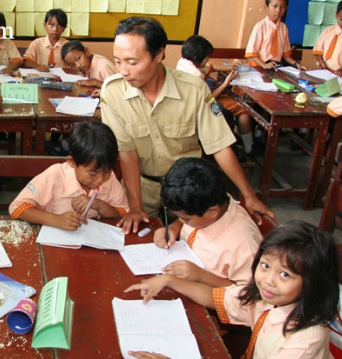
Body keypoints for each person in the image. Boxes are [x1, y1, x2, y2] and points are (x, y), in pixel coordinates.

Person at [101, 16, 273, 235]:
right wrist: (135, 207)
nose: (123, 71)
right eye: (117, 61)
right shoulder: (113, 91)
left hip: (190, 192)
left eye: (132, 62)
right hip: (142, 189)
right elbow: (127, 152)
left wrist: (248, 195)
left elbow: (219, 145)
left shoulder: (193, 89)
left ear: (159, 54)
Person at [125, 220, 339, 359]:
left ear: (313, 281)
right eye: (265, 266)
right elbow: (215, 297)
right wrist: (169, 280)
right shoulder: (270, 298)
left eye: (285, 274)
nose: (269, 281)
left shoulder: (305, 342)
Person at [153, 158, 262, 287]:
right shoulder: (208, 202)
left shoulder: (244, 248)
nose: (182, 221)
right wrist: (173, 228)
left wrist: (202, 276)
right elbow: (185, 219)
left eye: (186, 219)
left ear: (212, 211)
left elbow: (248, 293)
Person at [9, 121, 129, 231]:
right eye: (92, 173)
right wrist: (56, 220)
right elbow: (17, 208)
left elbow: (123, 213)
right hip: (55, 244)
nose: (100, 179)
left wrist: (100, 205)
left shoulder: (110, 178)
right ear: (72, 162)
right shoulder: (55, 175)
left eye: (107, 172)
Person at [178, 35, 256, 155]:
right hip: (200, 106)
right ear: (198, 58)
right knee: (242, 110)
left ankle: (240, 143)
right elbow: (209, 98)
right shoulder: (195, 76)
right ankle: (248, 149)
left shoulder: (185, 62)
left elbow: (211, 67)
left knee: (234, 105)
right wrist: (226, 83)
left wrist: (231, 67)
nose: (208, 60)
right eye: (207, 58)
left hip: (194, 101)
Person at [245, 0, 303, 70]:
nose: (278, 10)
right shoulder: (260, 26)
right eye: (275, 6)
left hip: (275, 67)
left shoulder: (284, 28)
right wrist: (264, 65)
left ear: (286, 8)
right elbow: (252, 53)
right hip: (258, 66)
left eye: (282, 7)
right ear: (266, 7)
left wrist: (296, 64)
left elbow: (285, 54)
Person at [312, 0, 342, 77]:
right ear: (336, 15)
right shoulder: (328, 30)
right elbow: (319, 50)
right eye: (341, 19)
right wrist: (321, 61)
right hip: (322, 70)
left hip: (341, 74)